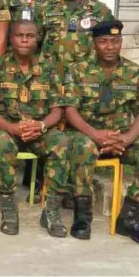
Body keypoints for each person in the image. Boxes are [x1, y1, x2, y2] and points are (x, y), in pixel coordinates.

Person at [0, 19, 70, 237]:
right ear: (11, 38)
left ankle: (52, 210)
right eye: (20, 35)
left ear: (38, 38)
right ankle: (8, 207)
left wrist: (41, 125)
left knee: (62, 142)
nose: (25, 40)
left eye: (30, 35)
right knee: (1, 143)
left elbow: (58, 110)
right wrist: (11, 127)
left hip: (39, 129)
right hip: (6, 126)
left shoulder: (50, 67)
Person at [64, 20, 139, 243]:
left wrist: (126, 139)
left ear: (121, 43)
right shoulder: (78, 70)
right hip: (87, 134)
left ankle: (130, 214)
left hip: (121, 137)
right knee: (82, 147)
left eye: (115, 42)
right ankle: (82, 215)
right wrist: (95, 135)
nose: (109, 47)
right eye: (103, 42)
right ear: (94, 44)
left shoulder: (134, 72)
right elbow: (70, 110)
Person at [40, 0, 114, 63]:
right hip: (51, 72)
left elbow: (110, 44)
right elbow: (36, 38)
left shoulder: (101, 11)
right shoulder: (48, 6)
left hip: (84, 73)